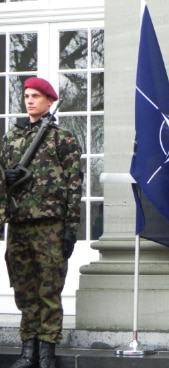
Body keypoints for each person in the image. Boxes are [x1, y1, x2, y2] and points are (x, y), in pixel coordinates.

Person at [2, 77, 83, 368]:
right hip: (19, 222)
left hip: (50, 224)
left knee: (49, 287)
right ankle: (28, 348)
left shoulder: (63, 138)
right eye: (27, 95)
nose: (30, 100)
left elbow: (75, 185)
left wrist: (71, 228)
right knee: (23, 287)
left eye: (37, 96)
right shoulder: (11, 138)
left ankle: (47, 349)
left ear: (50, 101)